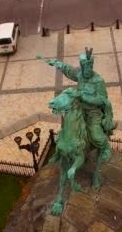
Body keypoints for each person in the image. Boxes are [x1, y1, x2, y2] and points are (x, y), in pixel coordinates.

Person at [44, 47, 117, 179]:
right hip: (80, 108)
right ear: (82, 68)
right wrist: (57, 63)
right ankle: (62, 149)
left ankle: (105, 147)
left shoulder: (98, 81)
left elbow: (102, 99)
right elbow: (68, 70)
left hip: (93, 113)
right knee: (68, 124)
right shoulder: (80, 75)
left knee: (95, 135)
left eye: (90, 69)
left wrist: (84, 97)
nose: (87, 72)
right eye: (85, 69)